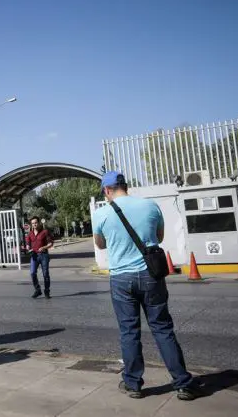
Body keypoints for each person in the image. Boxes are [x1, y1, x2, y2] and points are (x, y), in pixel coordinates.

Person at [92, 171, 202, 401]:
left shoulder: (102, 212)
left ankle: (133, 384)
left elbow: (100, 245)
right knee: (162, 328)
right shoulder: (150, 207)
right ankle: (182, 383)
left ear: (107, 190)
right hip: (151, 275)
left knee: (129, 331)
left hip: (121, 278)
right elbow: (158, 237)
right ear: (125, 186)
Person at [25, 216, 54, 298]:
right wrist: (27, 247)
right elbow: (27, 243)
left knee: (45, 274)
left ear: (39, 223)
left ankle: (47, 291)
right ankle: (38, 290)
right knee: (32, 273)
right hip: (34, 256)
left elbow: (51, 243)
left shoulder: (45, 232)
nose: (34, 224)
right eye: (33, 223)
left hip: (44, 255)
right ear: (31, 224)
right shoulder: (30, 234)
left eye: (36, 223)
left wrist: (44, 247)